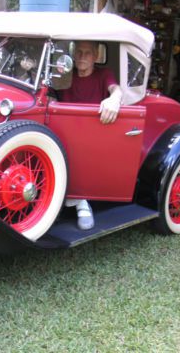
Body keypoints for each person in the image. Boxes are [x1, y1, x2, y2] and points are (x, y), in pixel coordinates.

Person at [58, 41, 123, 230]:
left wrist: (114, 100)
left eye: (87, 53)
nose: (82, 56)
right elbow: (50, 92)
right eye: (78, 52)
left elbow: (115, 89)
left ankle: (81, 203)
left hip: (94, 135)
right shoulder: (65, 74)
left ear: (95, 56)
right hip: (64, 130)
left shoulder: (104, 74)